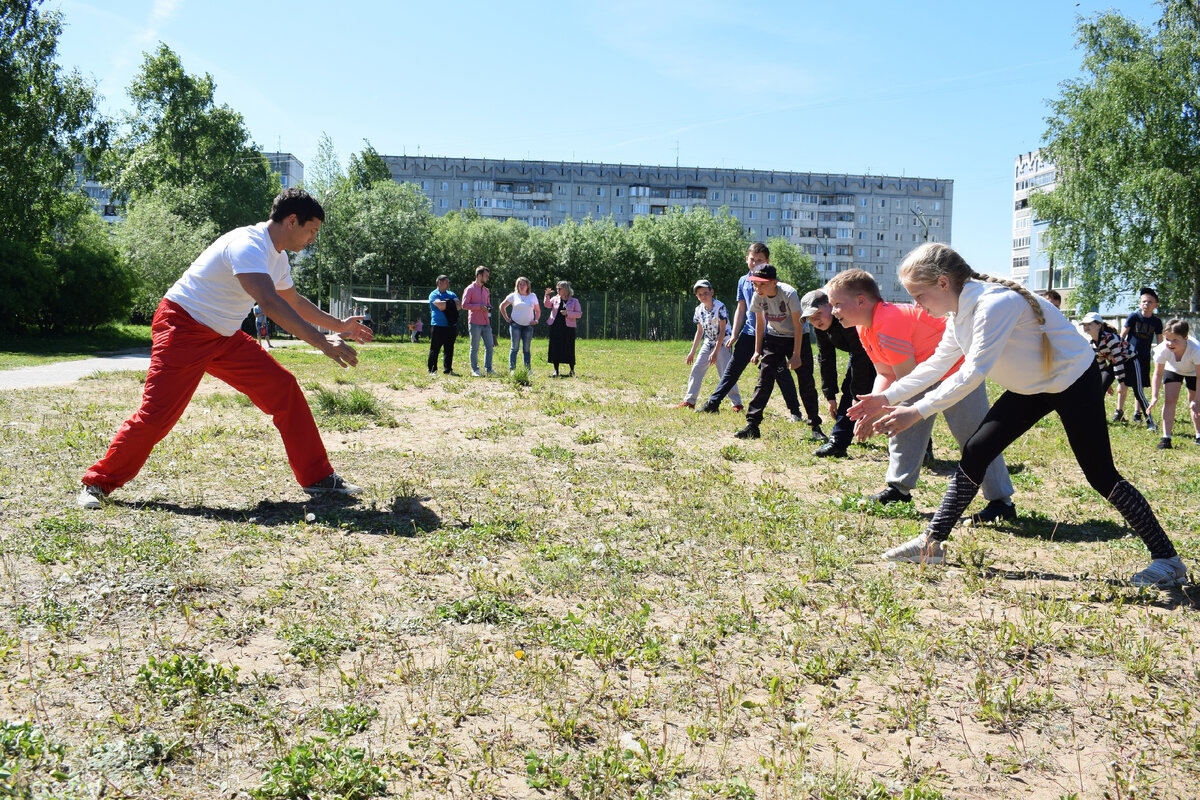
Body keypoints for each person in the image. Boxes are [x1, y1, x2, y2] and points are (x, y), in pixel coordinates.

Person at [852, 243, 1188, 588]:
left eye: (918, 295)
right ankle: (931, 544)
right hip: (1031, 387)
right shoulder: (958, 313)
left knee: (1100, 474)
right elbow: (937, 364)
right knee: (976, 449)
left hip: (1072, 380)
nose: (917, 304)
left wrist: (917, 410)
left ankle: (1168, 560)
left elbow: (972, 372)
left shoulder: (994, 304)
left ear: (942, 283)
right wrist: (885, 397)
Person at [76, 189, 371, 509]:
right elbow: (269, 303)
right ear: (291, 220)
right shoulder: (248, 245)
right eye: (311, 230)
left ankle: (318, 478)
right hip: (183, 327)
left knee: (283, 388)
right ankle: (98, 484)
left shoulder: (279, 257)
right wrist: (319, 341)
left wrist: (339, 326)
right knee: (157, 415)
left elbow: (294, 302)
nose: (312, 239)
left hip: (224, 336)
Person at [828, 268, 1016, 520]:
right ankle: (898, 489)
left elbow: (905, 381)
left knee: (975, 439)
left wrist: (879, 411)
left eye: (838, 304)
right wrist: (871, 407)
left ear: (861, 301)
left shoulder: (888, 321)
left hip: (957, 372)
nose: (833, 311)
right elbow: (886, 373)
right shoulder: (865, 327)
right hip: (922, 374)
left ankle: (1001, 502)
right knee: (901, 424)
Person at [698, 242, 783, 415]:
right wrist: (735, 333)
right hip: (749, 332)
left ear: (767, 261)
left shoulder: (773, 283)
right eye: (752, 259)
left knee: (781, 373)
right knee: (733, 368)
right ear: (747, 260)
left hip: (771, 334)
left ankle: (795, 411)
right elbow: (741, 308)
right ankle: (713, 404)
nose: (755, 263)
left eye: (760, 260)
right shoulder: (743, 281)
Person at [733, 264, 809, 440]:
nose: (757, 288)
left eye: (762, 284)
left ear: (774, 282)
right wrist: (757, 350)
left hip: (796, 336)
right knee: (764, 378)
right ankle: (752, 424)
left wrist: (796, 355)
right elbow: (760, 323)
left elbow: (799, 325)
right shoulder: (757, 295)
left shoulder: (789, 293)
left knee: (805, 378)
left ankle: (814, 425)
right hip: (775, 336)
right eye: (754, 284)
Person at [800, 289, 876, 458]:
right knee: (850, 391)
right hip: (862, 354)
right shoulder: (821, 328)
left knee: (896, 397)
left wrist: (858, 394)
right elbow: (825, 359)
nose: (816, 320)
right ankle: (838, 443)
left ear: (830, 305)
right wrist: (830, 396)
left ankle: (922, 448)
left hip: (882, 352)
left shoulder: (846, 319)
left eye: (818, 313)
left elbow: (861, 357)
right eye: (811, 318)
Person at [676, 279, 742, 409]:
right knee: (697, 368)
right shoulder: (698, 309)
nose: (703, 296)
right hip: (708, 342)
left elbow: (723, 330)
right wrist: (692, 351)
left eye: (706, 292)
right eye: (700, 294)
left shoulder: (720, 307)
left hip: (723, 342)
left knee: (725, 373)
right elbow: (699, 331)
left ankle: (737, 403)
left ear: (712, 292)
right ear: (697, 296)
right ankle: (690, 401)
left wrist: (716, 352)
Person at [1079, 311, 1150, 422]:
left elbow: (1118, 360)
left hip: (1130, 360)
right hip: (1115, 362)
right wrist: (1107, 384)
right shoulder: (1092, 344)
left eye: (1089, 324)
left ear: (1099, 325)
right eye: (1084, 324)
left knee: (1138, 392)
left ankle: (1150, 421)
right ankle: (1097, 419)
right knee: (1099, 389)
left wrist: (1121, 383)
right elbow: (1101, 363)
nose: (1086, 327)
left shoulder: (1110, 338)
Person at [1147, 318, 1200, 449]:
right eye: (1167, 339)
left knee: (1195, 403)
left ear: (1186, 338)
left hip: (1194, 373)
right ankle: (1166, 438)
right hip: (1173, 369)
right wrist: (1154, 397)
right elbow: (1158, 374)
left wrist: (1197, 400)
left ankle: (1199, 435)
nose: (1170, 343)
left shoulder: (1196, 350)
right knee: (1170, 399)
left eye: (1175, 340)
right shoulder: (1162, 350)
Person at [1118, 288, 1163, 429]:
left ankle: (1137, 413)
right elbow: (1122, 335)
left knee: (1140, 386)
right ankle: (1119, 410)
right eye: (1144, 301)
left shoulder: (1156, 322)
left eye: (1150, 302)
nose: (1146, 304)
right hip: (1128, 356)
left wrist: (1161, 357)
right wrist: (1118, 350)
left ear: (1156, 304)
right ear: (1139, 303)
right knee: (1123, 384)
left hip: (1144, 357)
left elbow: (1160, 341)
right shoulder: (1133, 317)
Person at [499, 276, 541, 371]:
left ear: (527, 286)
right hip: (515, 325)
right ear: (517, 286)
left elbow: (538, 311)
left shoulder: (533, 296)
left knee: (526, 349)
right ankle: (512, 370)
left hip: (528, 326)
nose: (522, 286)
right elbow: (502, 306)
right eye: (520, 284)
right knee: (514, 348)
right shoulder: (513, 295)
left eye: (524, 284)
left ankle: (527, 370)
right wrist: (506, 318)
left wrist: (536, 320)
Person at [544, 281, 582, 377]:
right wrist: (547, 295)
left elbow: (579, 314)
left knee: (569, 347)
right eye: (557, 288)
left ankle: (572, 370)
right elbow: (547, 305)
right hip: (555, 326)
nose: (557, 290)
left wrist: (568, 314)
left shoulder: (574, 301)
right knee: (555, 348)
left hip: (568, 328)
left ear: (565, 289)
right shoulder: (555, 299)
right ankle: (556, 371)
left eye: (559, 289)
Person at [462, 265, 495, 377]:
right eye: (486, 276)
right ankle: (475, 370)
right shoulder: (470, 289)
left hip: (486, 323)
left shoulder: (486, 290)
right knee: (474, 347)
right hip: (475, 322)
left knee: (490, 346)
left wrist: (489, 307)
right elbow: (464, 305)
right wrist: (479, 307)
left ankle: (489, 369)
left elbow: (488, 304)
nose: (487, 278)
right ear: (479, 275)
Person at [427, 275, 459, 375]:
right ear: (439, 283)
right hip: (438, 326)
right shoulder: (434, 294)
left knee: (449, 349)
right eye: (446, 282)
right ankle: (432, 370)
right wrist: (451, 303)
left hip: (451, 326)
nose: (448, 284)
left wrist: (447, 303)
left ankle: (448, 370)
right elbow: (440, 306)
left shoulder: (451, 293)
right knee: (435, 349)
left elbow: (459, 306)